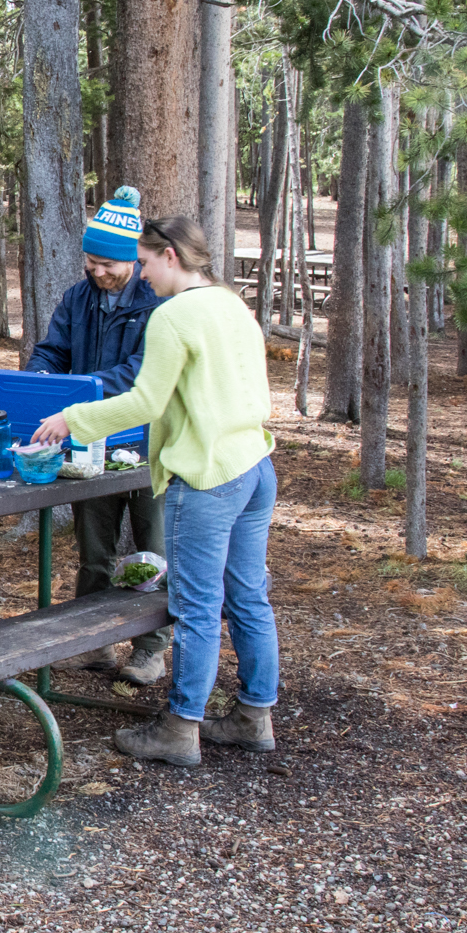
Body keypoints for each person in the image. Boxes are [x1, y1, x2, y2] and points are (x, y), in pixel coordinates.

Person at [31, 215, 279, 767]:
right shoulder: (231, 304)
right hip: (255, 464)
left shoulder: (173, 315)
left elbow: (145, 402)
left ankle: (180, 727)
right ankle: (253, 715)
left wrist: (74, 419)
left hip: (209, 475)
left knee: (194, 607)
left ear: (170, 256)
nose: (142, 273)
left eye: (143, 262)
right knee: (248, 601)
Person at [24, 185, 171, 685]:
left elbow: (140, 372)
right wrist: (40, 380)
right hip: (89, 440)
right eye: (91, 262)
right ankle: (94, 641)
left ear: (133, 260)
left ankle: (151, 648)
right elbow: (53, 349)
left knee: (153, 546)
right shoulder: (78, 298)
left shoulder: (158, 301)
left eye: (108, 264)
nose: (98, 271)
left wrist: (85, 395)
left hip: (149, 440)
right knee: (94, 547)